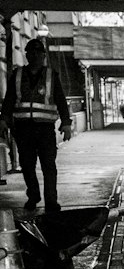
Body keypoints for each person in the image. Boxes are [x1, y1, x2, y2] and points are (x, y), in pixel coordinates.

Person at [1, 37, 72, 213]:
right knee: (27, 165)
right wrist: (3, 119)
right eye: (31, 53)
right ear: (26, 55)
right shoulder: (17, 75)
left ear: (43, 56)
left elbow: (61, 101)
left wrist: (66, 123)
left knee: (49, 166)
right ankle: (33, 195)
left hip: (45, 129)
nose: (34, 56)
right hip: (23, 129)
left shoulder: (51, 75)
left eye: (38, 53)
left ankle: (51, 201)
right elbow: (9, 100)